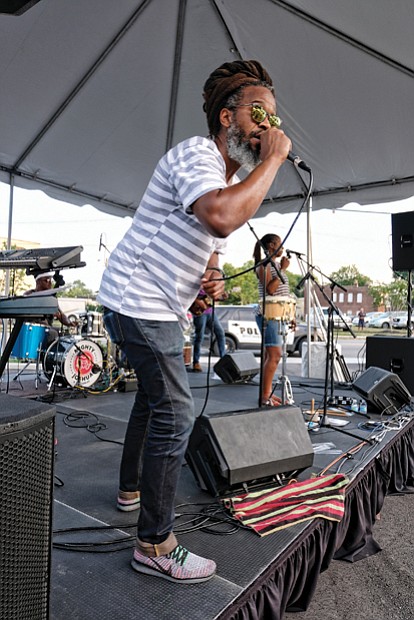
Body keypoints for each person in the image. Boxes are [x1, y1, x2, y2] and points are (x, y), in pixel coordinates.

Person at [97, 59, 292, 584]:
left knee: (155, 399)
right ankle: (155, 543)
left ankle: (130, 489)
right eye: (260, 115)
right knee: (177, 411)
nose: (269, 128)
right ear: (227, 117)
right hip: (136, 300)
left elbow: (212, 247)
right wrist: (272, 162)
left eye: (273, 118)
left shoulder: (226, 177)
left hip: (158, 303)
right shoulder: (197, 155)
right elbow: (221, 216)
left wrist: (208, 282)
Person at [253, 234, 295, 406]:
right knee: (275, 355)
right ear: (271, 245)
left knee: (270, 356)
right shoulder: (262, 266)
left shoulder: (276, 265)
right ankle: (265, 396)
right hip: (268, 315)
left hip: (279, 314)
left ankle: (266, 392)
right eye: (280, 245)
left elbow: (282, 294)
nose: (283, 249)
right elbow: (270, 290)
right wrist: (283, 270)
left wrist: (290, 316)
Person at [24, 272, 77, 346]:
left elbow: (60, 314)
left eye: (50, 281)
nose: (49, 283)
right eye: (46, 280)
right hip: (32, 330)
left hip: (47, 329)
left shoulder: (51, 298)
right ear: (38, 282)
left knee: (65, 334)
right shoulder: (29, 294)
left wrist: (69, 323)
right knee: (53, 333)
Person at [190, 289, 226, 371]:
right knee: (199, 337)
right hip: (199, 313)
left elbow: (211, 297)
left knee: (220, 333)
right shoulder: (195, 280)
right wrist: (197, 301)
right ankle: (196, 362)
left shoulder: (209, 281)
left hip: (210, 312)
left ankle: (224, 359)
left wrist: (222, 298)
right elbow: (187, 294)